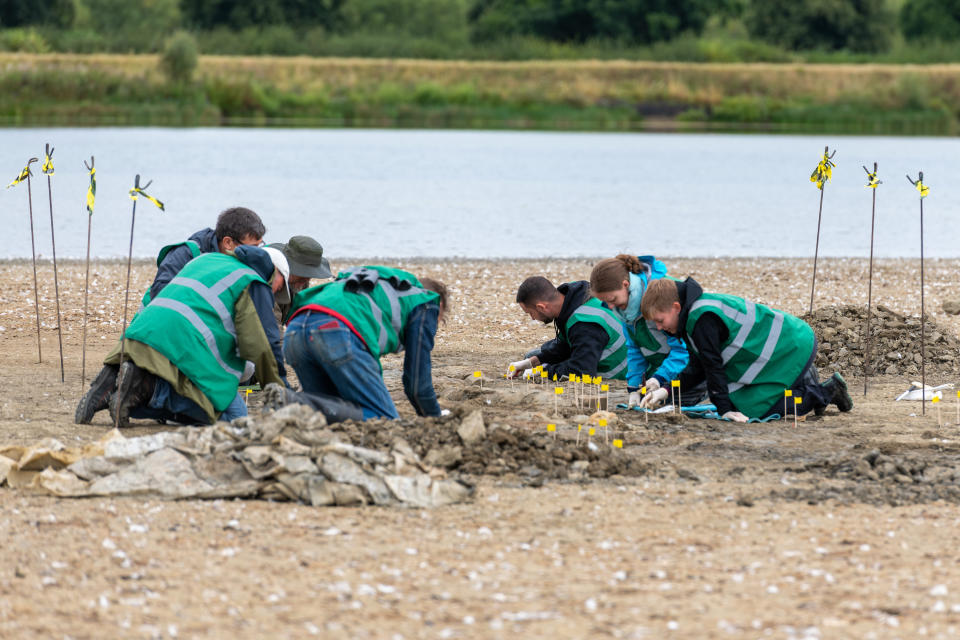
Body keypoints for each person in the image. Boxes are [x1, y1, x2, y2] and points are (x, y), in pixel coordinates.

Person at [75, 245, 290, 426]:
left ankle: (111, 388)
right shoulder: (253, 281)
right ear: (275, 272)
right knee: (234, 418)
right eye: (281, 286)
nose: (277, 293)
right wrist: (279, 389)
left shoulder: (206, 259)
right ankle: (149, 390)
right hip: (178, 346)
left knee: (151, 390)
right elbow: (260, 346)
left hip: (135, 339)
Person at [639, 277, 853, 421]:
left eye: (660, 320)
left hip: (792, 346)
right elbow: (697, 369)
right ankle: (805, 381)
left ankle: (826, 391)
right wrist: (665, 390)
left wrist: (725, 411)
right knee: (738, 400)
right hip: (782, 348)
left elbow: (713, 368)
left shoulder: (702, 319)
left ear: (676, 307)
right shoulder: (691, 317)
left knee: (753, 409)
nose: (659, 328)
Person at [270, 266, 448, 423]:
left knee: (330, 414)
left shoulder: (376, 288)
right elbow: (417, 385)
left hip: (295, 331)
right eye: (436, 323)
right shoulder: (426, 302)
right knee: (384, 419)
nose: (431, 330)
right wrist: (435, 420)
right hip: (334, 332)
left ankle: (293, 404)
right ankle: (296, 402)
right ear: (437, 305)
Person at [589, 254, 704, 408]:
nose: (610, 307)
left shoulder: (660, 299)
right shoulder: (625, 309)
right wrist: (634, 388)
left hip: (694, 367)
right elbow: (635, 349)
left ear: (625, 284)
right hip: (664, 367)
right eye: (606, 302)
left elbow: (683, 351)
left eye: (612, 300)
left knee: (677, 400)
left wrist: (659, 378)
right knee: (650, 397)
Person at [508, 276, 628, 381]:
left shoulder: (584, 324)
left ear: (541, 307)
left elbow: (582, 370)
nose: (533, 318)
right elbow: (565, 345)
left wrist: (544, 371)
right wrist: (532, 362)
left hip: (618, 370)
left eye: (530, 313)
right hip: (595, 350)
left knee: (547, 364)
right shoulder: (572, 298)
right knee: (532, 355)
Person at [142, 206, 267, 306]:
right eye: (252, 247)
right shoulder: (187, 254)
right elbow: (160, 294)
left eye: (259, 245)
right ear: (228, 242)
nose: (256, 252)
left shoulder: (249, 259)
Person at [268, 235, 333, 323]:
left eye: (309, 274)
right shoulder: (269, 283)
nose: (307, 279)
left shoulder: (302, 281)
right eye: (302, 273)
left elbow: (300, 315)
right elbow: (271, 329)